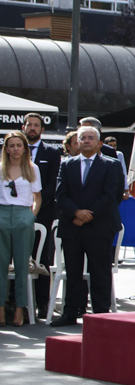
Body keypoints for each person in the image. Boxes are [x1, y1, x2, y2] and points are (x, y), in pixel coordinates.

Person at [51, 126, 124, 327]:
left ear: (99, 143)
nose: (86, 141)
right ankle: (70, 312)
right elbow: (60, 194)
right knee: (73, 273)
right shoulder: (66, 164)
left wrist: (87, 215)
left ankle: (101, 314)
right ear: (77, 142)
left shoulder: (111, 165)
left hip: (99, 227)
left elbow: (112, 195)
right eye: (82, 138)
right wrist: (75, 213)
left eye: (91, 138)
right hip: (72, 226)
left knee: (100, 272)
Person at [0, 132, 42, 327]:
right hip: (2, 214)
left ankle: (20, 309)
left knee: (22, 266)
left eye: (19, 145)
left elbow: (37, 197)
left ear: (25, 148)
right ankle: (0, 309)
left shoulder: (32, 169)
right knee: (0, 265)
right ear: (6, 148)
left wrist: (30, 216)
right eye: (12, 145)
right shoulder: (0, 168)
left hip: (23, 215)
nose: (15, 149)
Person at [23, 113, 60, 319]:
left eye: (36, 125)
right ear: (23, 127)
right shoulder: (11, 151)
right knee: (16, 259)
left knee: (42, 260)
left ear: (42, 129)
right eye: (29, 125)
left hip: (43, 215)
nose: (33, 128)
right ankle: (16, 303)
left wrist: (34, 205)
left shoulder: (52, 153)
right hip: (15, 213)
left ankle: (43, 303)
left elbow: (53, 184)